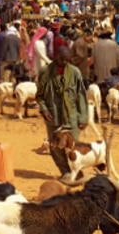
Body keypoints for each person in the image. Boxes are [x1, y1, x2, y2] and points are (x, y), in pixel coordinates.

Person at [36, 47, 88, 180]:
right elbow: (40, 95)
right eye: (62, 59)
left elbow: (81, 95)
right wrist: (43, 108)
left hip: (71, 116)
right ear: (55, 56)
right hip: (52, 117)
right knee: (56, 147)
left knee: (74, 145)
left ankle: (76, 171)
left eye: (67, 59)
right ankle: (65, 171)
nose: (65, 62)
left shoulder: (75, 72)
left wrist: (83, 117)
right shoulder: (45, 72)